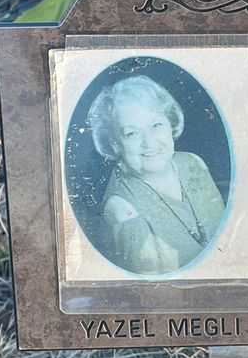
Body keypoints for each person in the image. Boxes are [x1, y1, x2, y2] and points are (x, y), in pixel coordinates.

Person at [87, 74, 226, 274]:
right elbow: (156, 296)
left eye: (156, 125)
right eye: (131, 133)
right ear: (115, 143)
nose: (149, 142)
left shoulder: (193, 163)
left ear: (170, 124)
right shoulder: (122, 211)